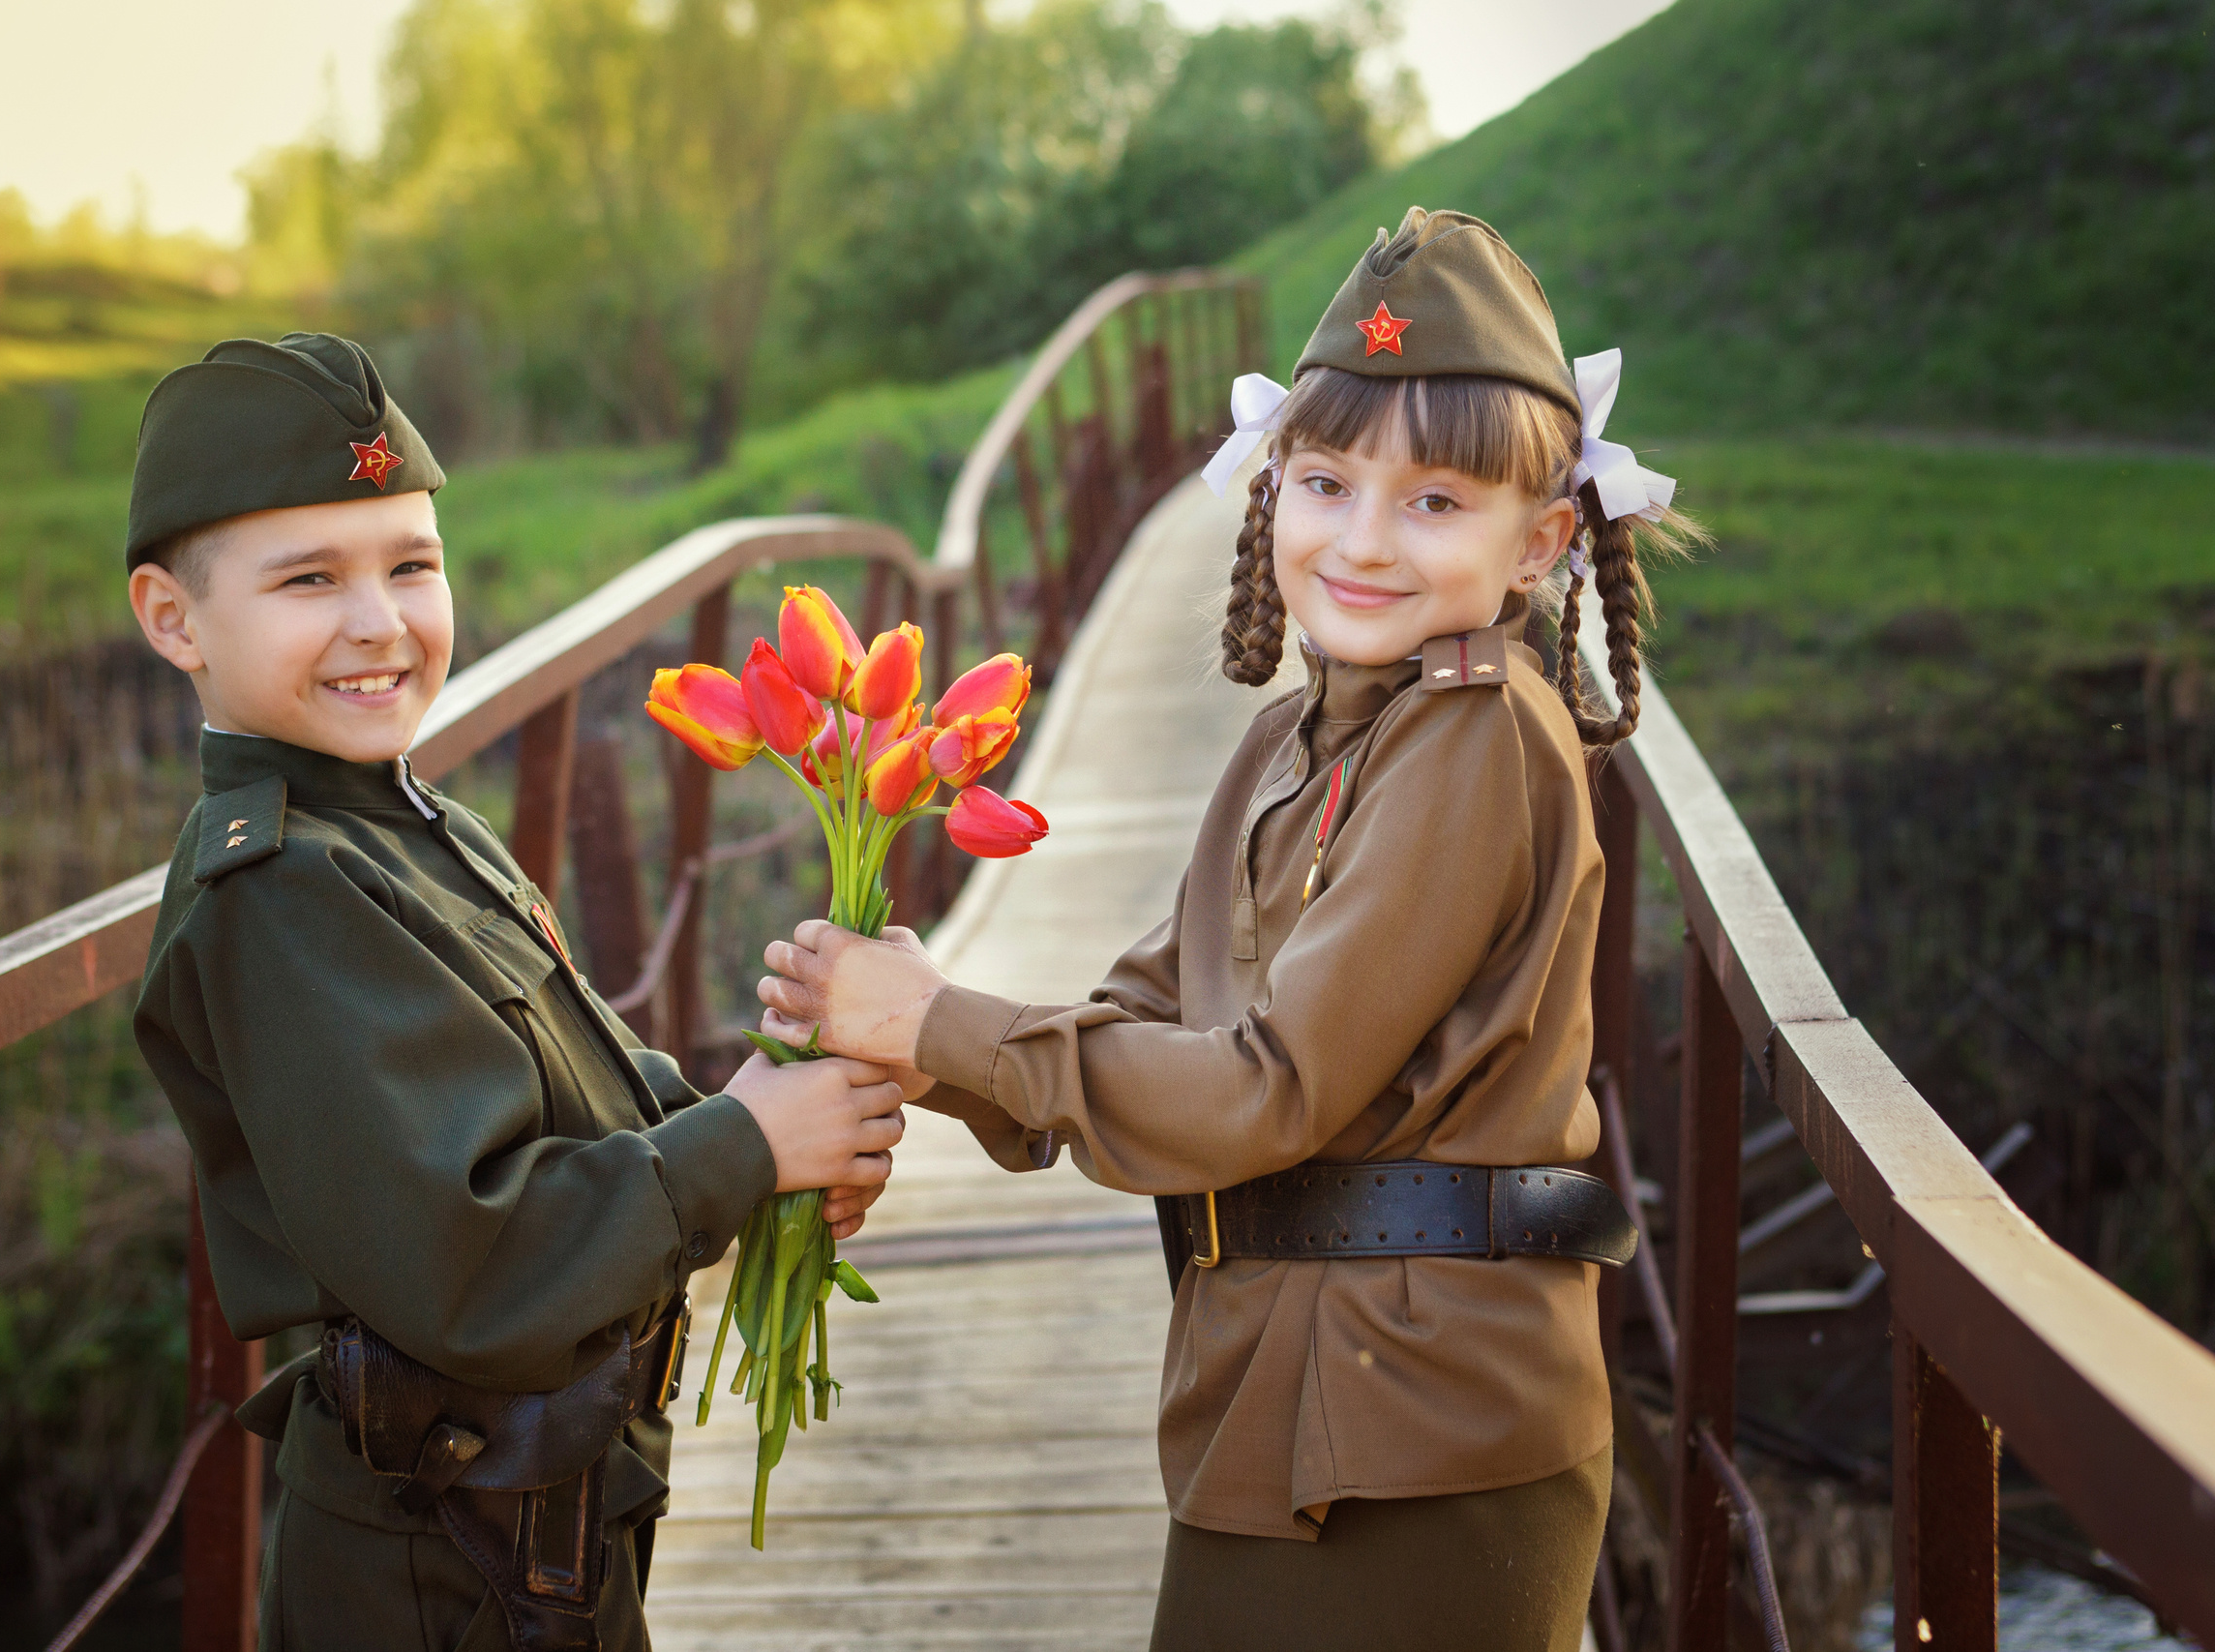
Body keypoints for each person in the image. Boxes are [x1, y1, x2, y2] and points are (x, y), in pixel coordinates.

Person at [756, 209, 1706, 1651]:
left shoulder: (1475, 736)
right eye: (1326, 483)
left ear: (1544, 542)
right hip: (1301, 1402)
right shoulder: (1300, 737)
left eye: (1436, 503)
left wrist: (938, 1029)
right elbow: (1146, 1009)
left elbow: (1270, 1084)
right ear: (1274, 490)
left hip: (1413, 1436)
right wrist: (905, 1050)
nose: (1364, 542)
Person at [125, 332, 906, 1652]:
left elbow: (568, 1094)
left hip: (534, 1523)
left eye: (410, 565)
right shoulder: (282, 898)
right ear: (174, 618)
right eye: (310, 578)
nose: (380, 622)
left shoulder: (399, 823)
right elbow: (470, 1261)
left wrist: (761, 1122)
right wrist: (741, 1145)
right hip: (440, 1567)